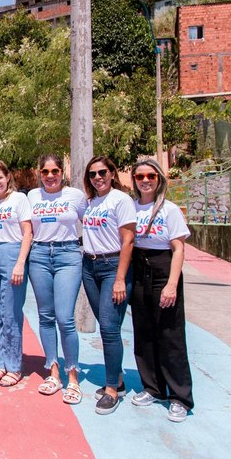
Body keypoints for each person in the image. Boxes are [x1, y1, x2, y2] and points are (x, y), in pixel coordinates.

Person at [130, 159, 194, 423]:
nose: (145, 180)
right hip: (138, 266)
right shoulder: (131, 207)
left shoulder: (169, 210)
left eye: (150, 176)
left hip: (162, 266)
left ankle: (179, 397)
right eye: (140, 176)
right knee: (143, 331)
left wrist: (171, 283)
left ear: (159, 179)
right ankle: (153, 387)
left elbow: (178, 248)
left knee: (170, 334)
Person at [27, 154, 87, 403]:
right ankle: (53, 372)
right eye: (45, 171)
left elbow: (90, 223)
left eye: (54, 171)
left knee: (65, 318)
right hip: (39, 254)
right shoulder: (32, 196)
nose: (50, 176)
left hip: (68, 254)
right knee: (45, 316)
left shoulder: (75, 196)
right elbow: (26, 228)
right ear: (39, 173)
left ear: (62, 172)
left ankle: (72, 376)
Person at [81, 156, 136, 415]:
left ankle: (112, 389)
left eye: (102, 172)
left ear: (112, 173)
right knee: (106, 324)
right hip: (90, 266)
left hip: (113, 265)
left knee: (110, 328)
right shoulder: (91, 202)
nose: (98, 177)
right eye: (93, 174)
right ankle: (120, 381)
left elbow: (128, 241)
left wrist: (119, 279)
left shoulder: (121, 200)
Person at [0, 161, 33, 388]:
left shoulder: (19, 199)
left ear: (8, 177)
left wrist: (20, 263)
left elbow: (28, 233)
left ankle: (14, 366)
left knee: (11, 314)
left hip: (12, 254)